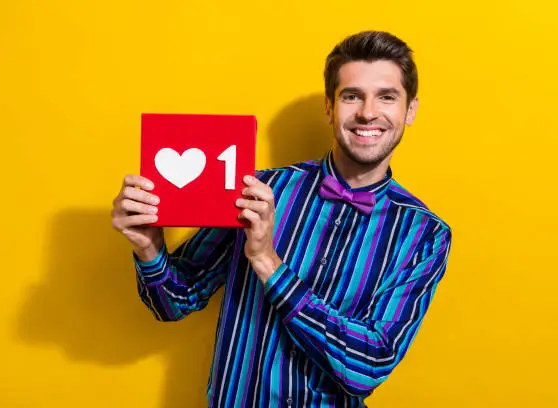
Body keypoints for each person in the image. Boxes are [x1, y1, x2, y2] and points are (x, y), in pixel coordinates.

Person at [111, 30, 452, 408]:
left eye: (386, 97)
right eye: (351, 96)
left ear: (410, 111)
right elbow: (173, 303)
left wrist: (267, 263)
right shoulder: (254, 191)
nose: (368, 112)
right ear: (329, 107)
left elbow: (367, 368)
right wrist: (149, 247)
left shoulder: (424, 234)